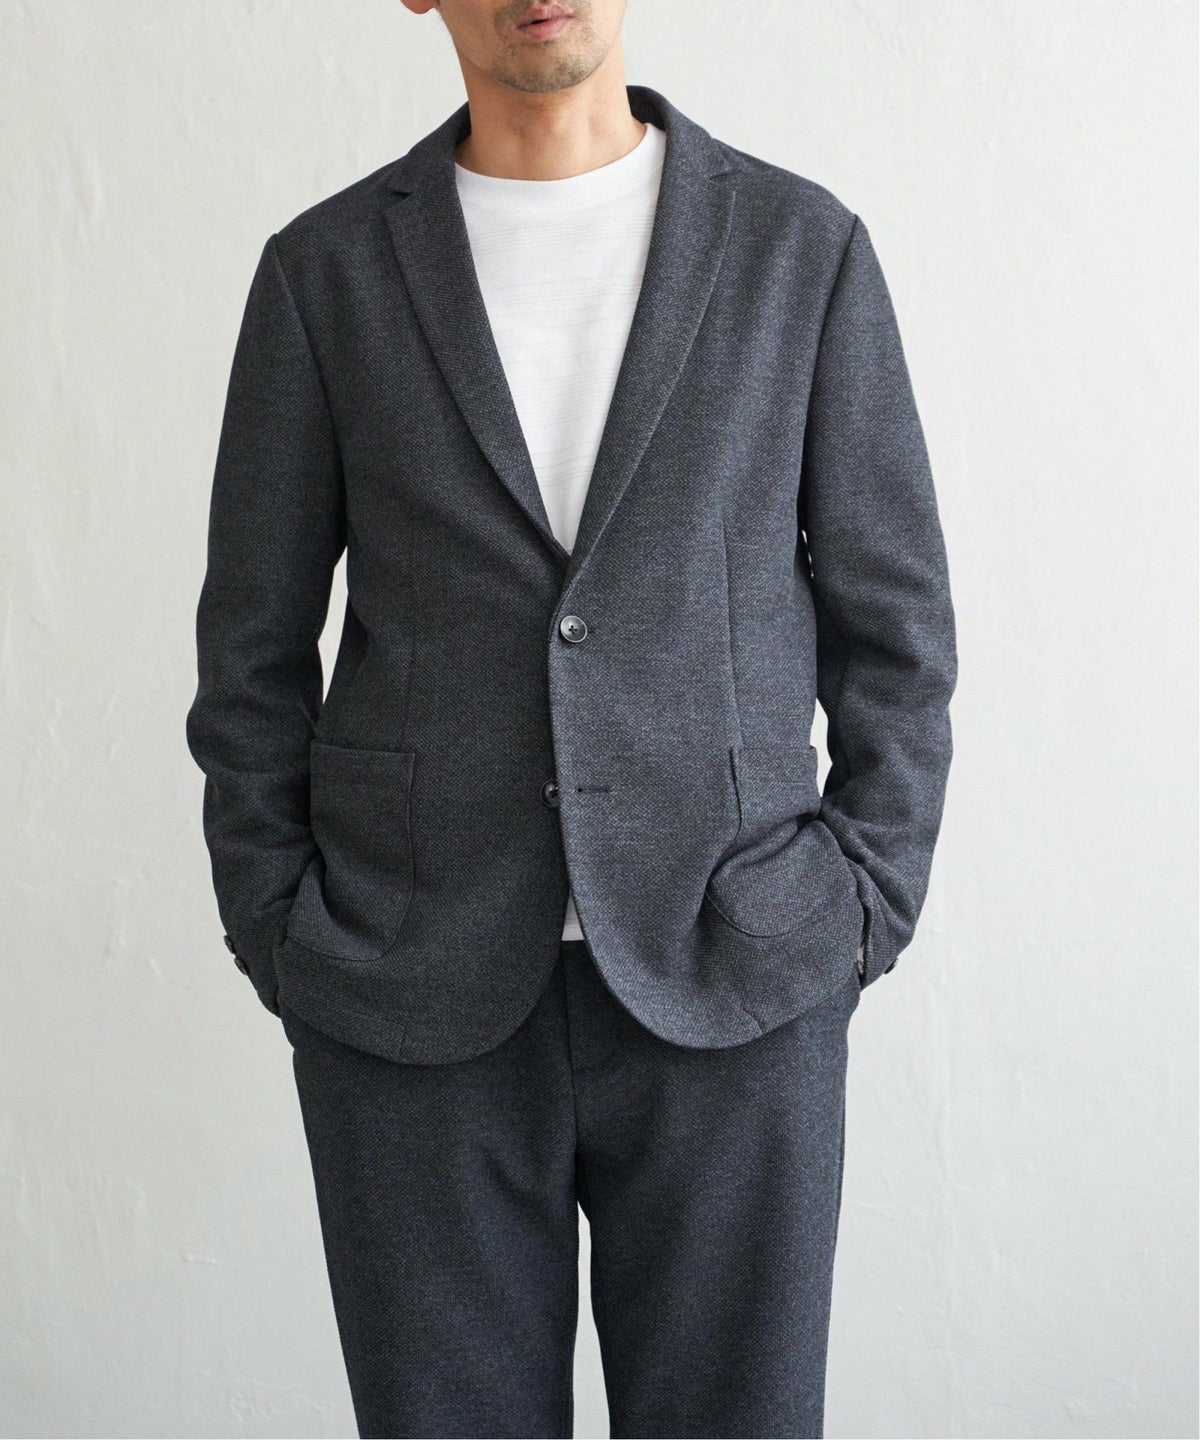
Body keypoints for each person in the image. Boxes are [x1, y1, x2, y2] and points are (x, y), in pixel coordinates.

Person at [185, 1, 958, 1434]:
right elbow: (251, 649)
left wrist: (861, 903)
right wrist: (279, 925)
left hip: (740, 971)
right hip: (408, 985)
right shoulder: (325, 273)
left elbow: (896, 626)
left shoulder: (800, 250)